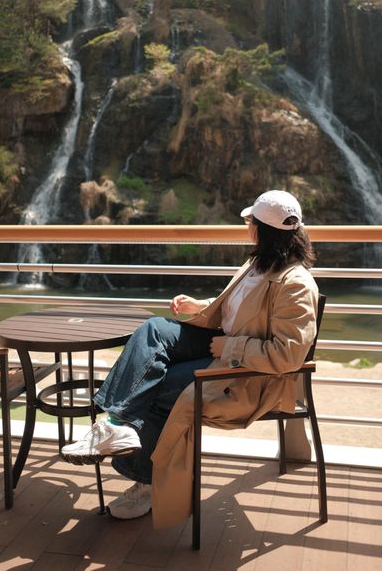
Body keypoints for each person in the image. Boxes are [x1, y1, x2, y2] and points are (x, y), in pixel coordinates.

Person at [61, 190, 318, 528]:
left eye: (249, 221)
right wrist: (202, 306)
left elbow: (289, 355)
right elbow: (240, 310)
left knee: (158, 385)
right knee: (154, 328)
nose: (246, 227)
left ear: (263, 229)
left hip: (246, 375)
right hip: (221, 347)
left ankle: (145, 478)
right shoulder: (258, 264)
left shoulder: (295, 284)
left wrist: (231, 349)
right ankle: (115, 424)